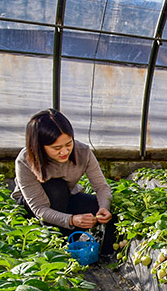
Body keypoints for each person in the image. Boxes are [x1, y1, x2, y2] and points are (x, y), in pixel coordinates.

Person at [12, 108, 116, 259]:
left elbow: (101, 187)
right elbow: (39, 209)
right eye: (57, 148)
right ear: (39, 146)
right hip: (33, 208)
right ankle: (57, 245)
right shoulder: (25, 161)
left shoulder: (82, 152)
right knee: (56, 188)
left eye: (69, 143)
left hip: (65, 198)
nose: (65, 151)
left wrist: (103, 209)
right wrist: (71, 220)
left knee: (96, 206)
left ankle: (105, 255)